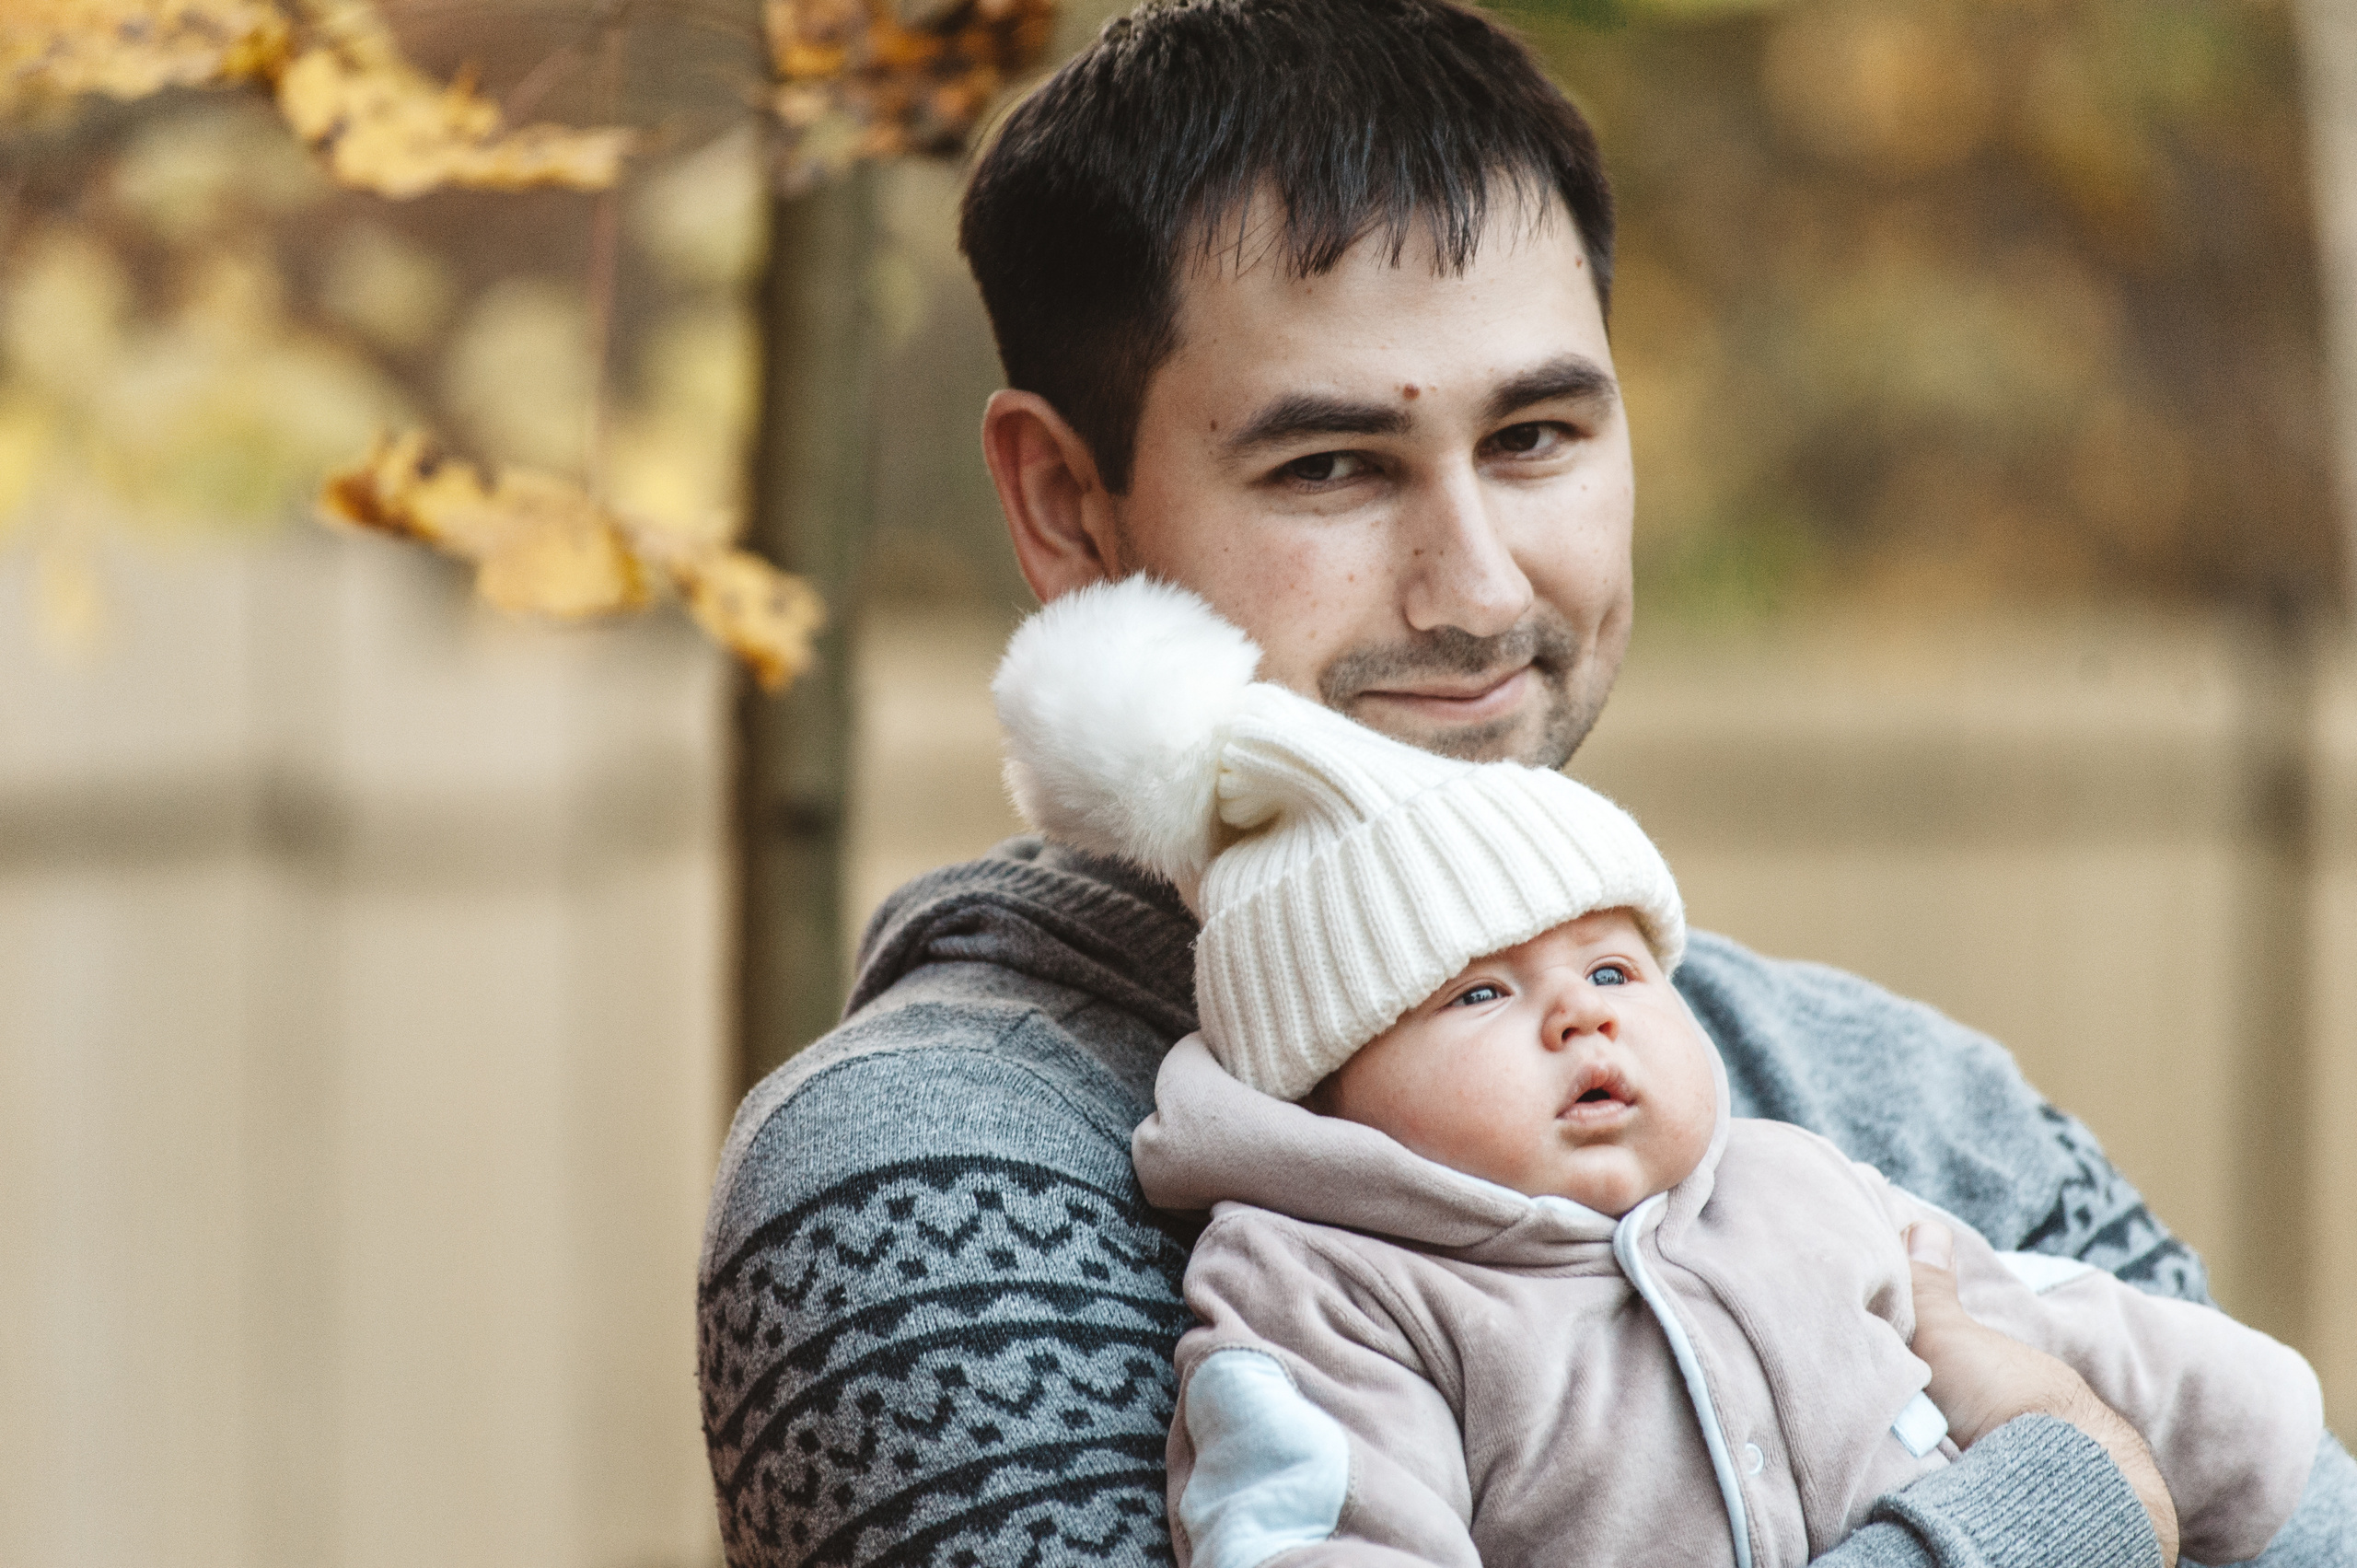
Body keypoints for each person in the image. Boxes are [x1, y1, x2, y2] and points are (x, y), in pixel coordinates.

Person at [694, 2, 2357, 1564]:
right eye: (1330, 464)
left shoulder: (1911, 1110)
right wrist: (2058, 1499)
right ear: (1065, 505)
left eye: (1538, 438)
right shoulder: (925, 1192)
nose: (1480, 589)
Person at [982, 575, 2320, 1568]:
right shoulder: (1331, 1292)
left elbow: (2056, 1325)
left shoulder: (1798, 1183)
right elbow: (1314, 1530)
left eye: (1615, 974)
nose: (1580, 1023)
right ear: (1328, 1084)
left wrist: (2261, 1444)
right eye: (1482, 995)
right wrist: (2064, 1498)